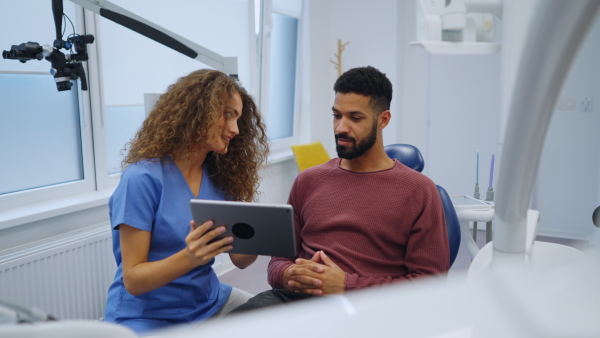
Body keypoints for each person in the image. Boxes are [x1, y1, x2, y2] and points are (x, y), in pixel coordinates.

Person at [231, 66, 449, 312]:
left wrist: (346, 285)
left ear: (383, 119)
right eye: (337, 115)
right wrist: (288, 274)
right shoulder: (308, 181)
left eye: (355, 118)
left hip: (372, 307)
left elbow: (431, 284)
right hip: (296, 299)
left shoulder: (419, 190)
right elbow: (278, 260)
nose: (341, 128)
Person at [103, 69, 269, 334]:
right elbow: (133, 280)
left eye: (238, 119)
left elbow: (241, 260)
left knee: (276, 323)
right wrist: (190, 257)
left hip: (209, 303)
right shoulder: (141, 179)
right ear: (198, 111)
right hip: (147, 315)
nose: (235, 129)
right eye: (228, 115)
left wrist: (261, 233)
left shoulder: (220, 176)